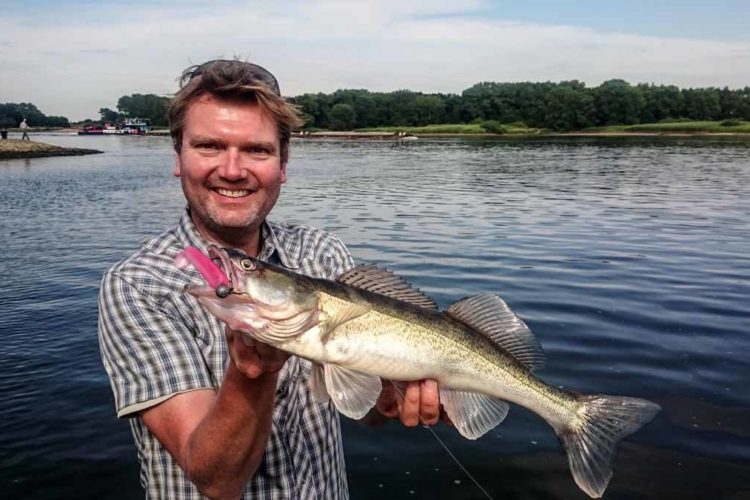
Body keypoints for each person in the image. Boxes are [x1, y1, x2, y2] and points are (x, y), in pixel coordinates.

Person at [98, 59, 442, 499]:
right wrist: (251, 372)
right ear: (178, 158)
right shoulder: (138, 285)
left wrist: (393, 400)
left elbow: (360, 405)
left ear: (283, 163)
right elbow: (218, 481)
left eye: (257, 150)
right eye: (208, 146)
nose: (233, 170)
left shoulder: (323, 253)